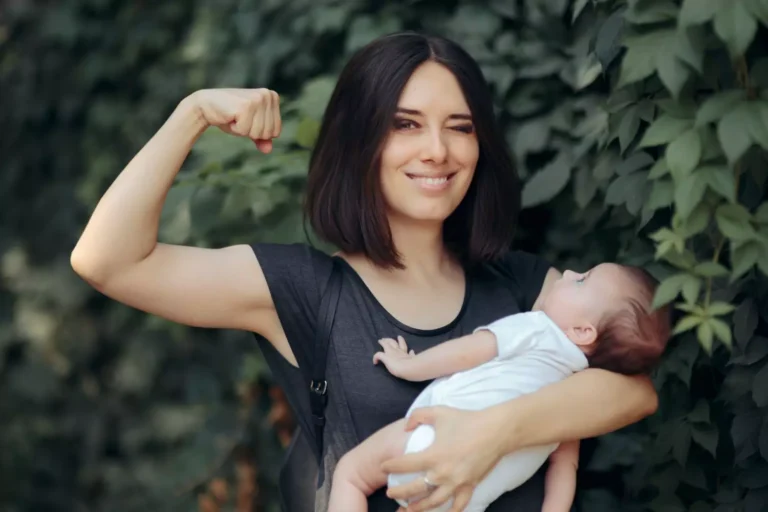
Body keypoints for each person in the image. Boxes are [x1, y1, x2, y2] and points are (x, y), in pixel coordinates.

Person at [70, 32, 660, 512]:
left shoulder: (519, 284)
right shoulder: (304, 290)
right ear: (360, 141)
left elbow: (632, 391)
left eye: (460, 126)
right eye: (406, 124)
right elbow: (107, 261)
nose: (438, 150)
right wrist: (193, 112)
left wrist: (490, 434)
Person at [328, 263, 670, 512]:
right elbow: (565, 466)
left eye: (581, 280)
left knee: (351, 475)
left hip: (429, 439)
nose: (567, 273)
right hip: (469, 496)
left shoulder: (537, 329)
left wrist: (408, 365)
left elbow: (467, 352)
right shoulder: (575, 396)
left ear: (583, 331)